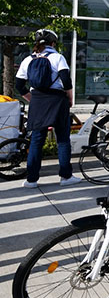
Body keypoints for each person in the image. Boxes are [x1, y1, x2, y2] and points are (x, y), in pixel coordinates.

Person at [15, 29, 81, 188]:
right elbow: (66, 80)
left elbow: (19, 85)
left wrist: (31, 98)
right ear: (53, 43)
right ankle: (66, 177)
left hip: (37, 101)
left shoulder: (27, 59)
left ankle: (31, 180)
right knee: (63, 140)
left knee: (37, 141)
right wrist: (70, 98)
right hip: (57, 101)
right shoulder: (58, 57)